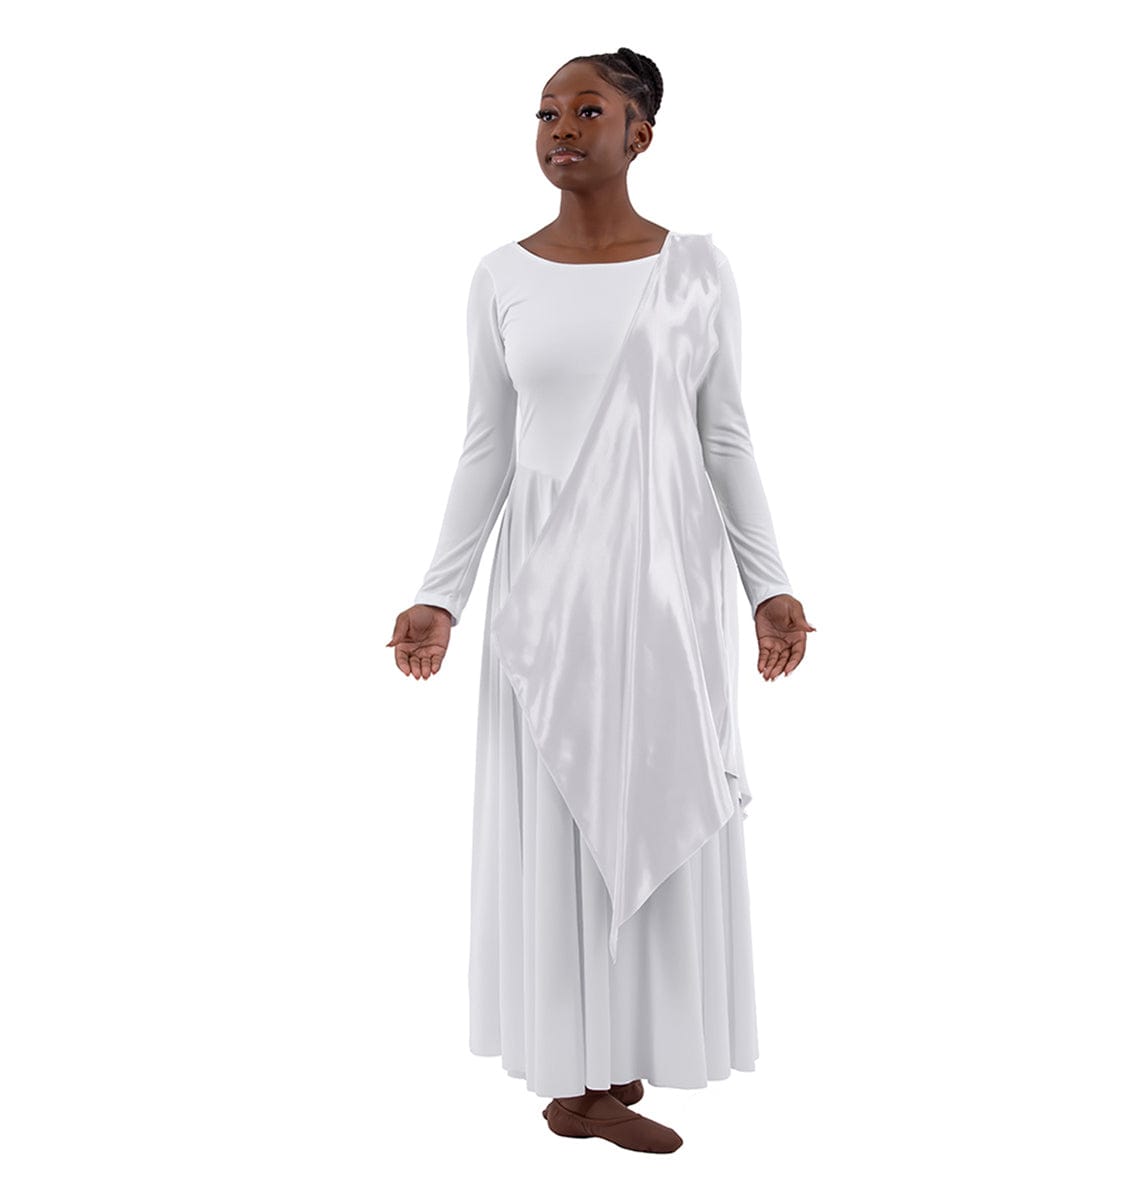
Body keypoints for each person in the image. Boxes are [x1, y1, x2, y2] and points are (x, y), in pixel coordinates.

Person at [388, 47, 815, 1154]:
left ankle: (620, 1050)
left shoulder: (697, 272)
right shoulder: (501, 275)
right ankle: (571, 1082)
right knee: (562, 817)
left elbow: (725, 436)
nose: (561, 129)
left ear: (641, 134)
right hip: (544, 597)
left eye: (588, 110)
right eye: (545, 113)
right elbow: (486, 446)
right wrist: (440, 594)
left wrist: (769, 585)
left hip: (667, 590)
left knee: (659, 789)